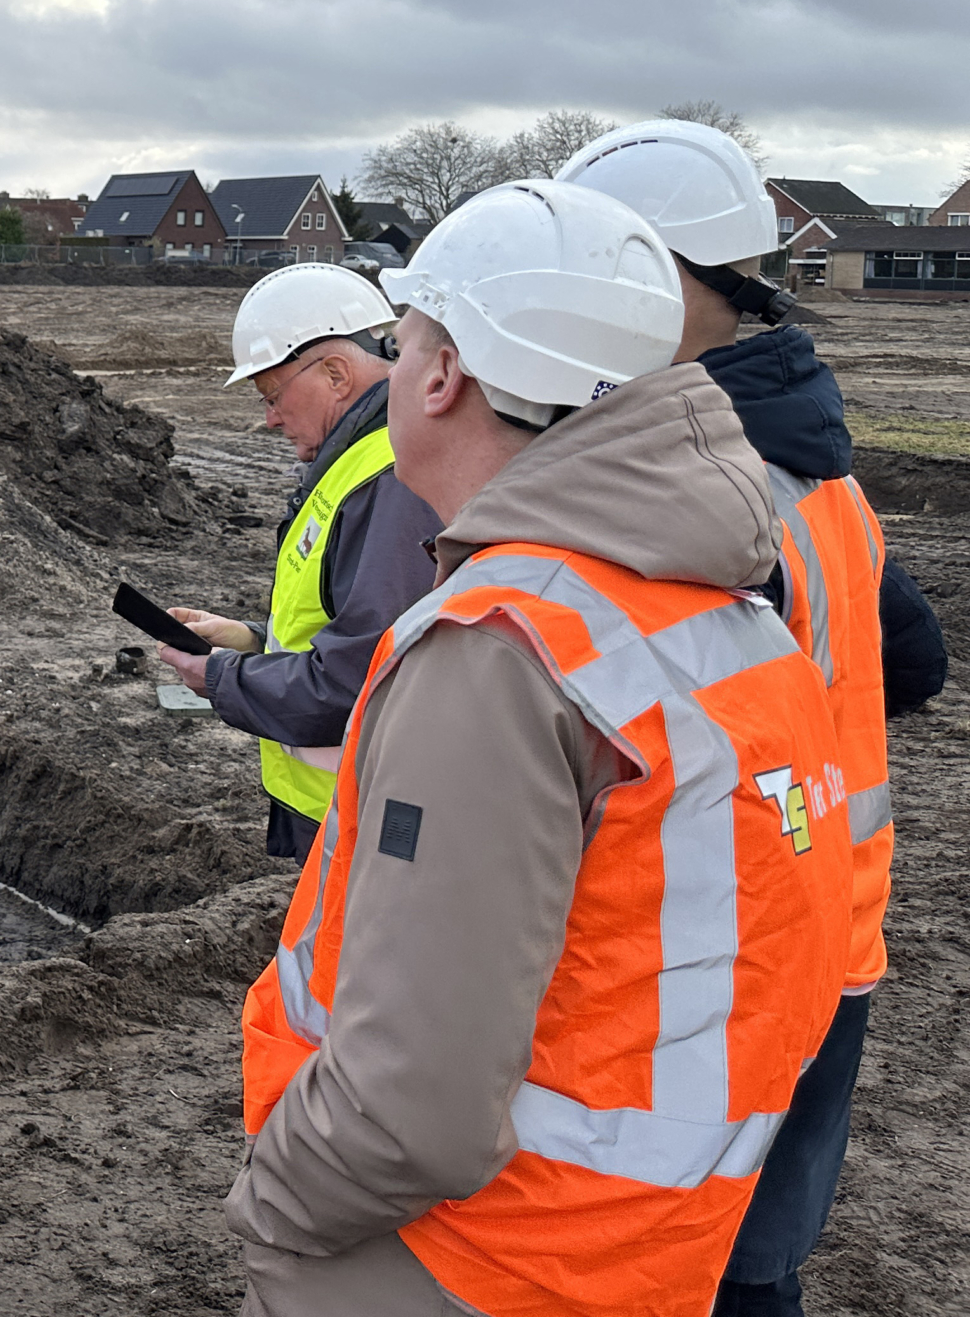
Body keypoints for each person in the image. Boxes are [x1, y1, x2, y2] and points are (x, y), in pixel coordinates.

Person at [231, 181, 853, 1316]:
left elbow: (410, 1109)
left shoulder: (504, 648)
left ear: (440, 375)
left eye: (405, 334)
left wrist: (276, 1208)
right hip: (637, 1251)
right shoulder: (723, 610)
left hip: (482, 1256)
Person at [561, 118, 949, 1316]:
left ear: (659, 281)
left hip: (719, 959)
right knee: (757, 1269)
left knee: (670, 1274)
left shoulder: (688, 489)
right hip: (833, 931)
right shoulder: (824, 475)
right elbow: (913, 663)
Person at [154, 265, 443, 859]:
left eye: (273, 395)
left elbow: (359, 680)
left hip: (366, 824)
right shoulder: (359, 464)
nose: (269, 419)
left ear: (336, 373)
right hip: (339, 812)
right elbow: (348, 622)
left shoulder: (389, 482)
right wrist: (252, 640)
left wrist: (218, 677)